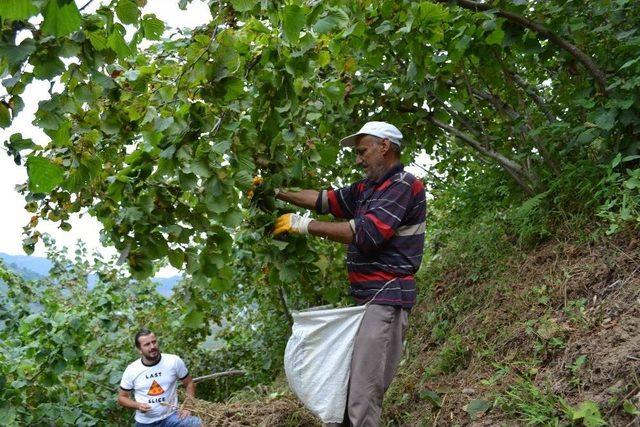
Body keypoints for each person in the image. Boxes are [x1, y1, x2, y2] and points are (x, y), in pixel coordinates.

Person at [273, 121, 426, 426]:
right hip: (367, 302)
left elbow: (368, 234)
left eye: (362, 151)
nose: (357, 159)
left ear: (385, 146)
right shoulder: (367, 189)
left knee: (362, 397)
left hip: (386, 300)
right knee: (347, 391)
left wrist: (304, 226)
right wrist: (276, 191)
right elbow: (323, 200)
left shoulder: (404, 186)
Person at [118, 329, 201, 427]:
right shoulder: (132, 370)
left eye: (154, 342)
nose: (152, 346)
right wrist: (138, 405)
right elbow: (122, 398)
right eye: (147, 344)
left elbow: (189, 383)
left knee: (201, 424)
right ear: (139, 350)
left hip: (172, 417)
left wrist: (188, 406)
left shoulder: (173, 361)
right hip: (145, 422)